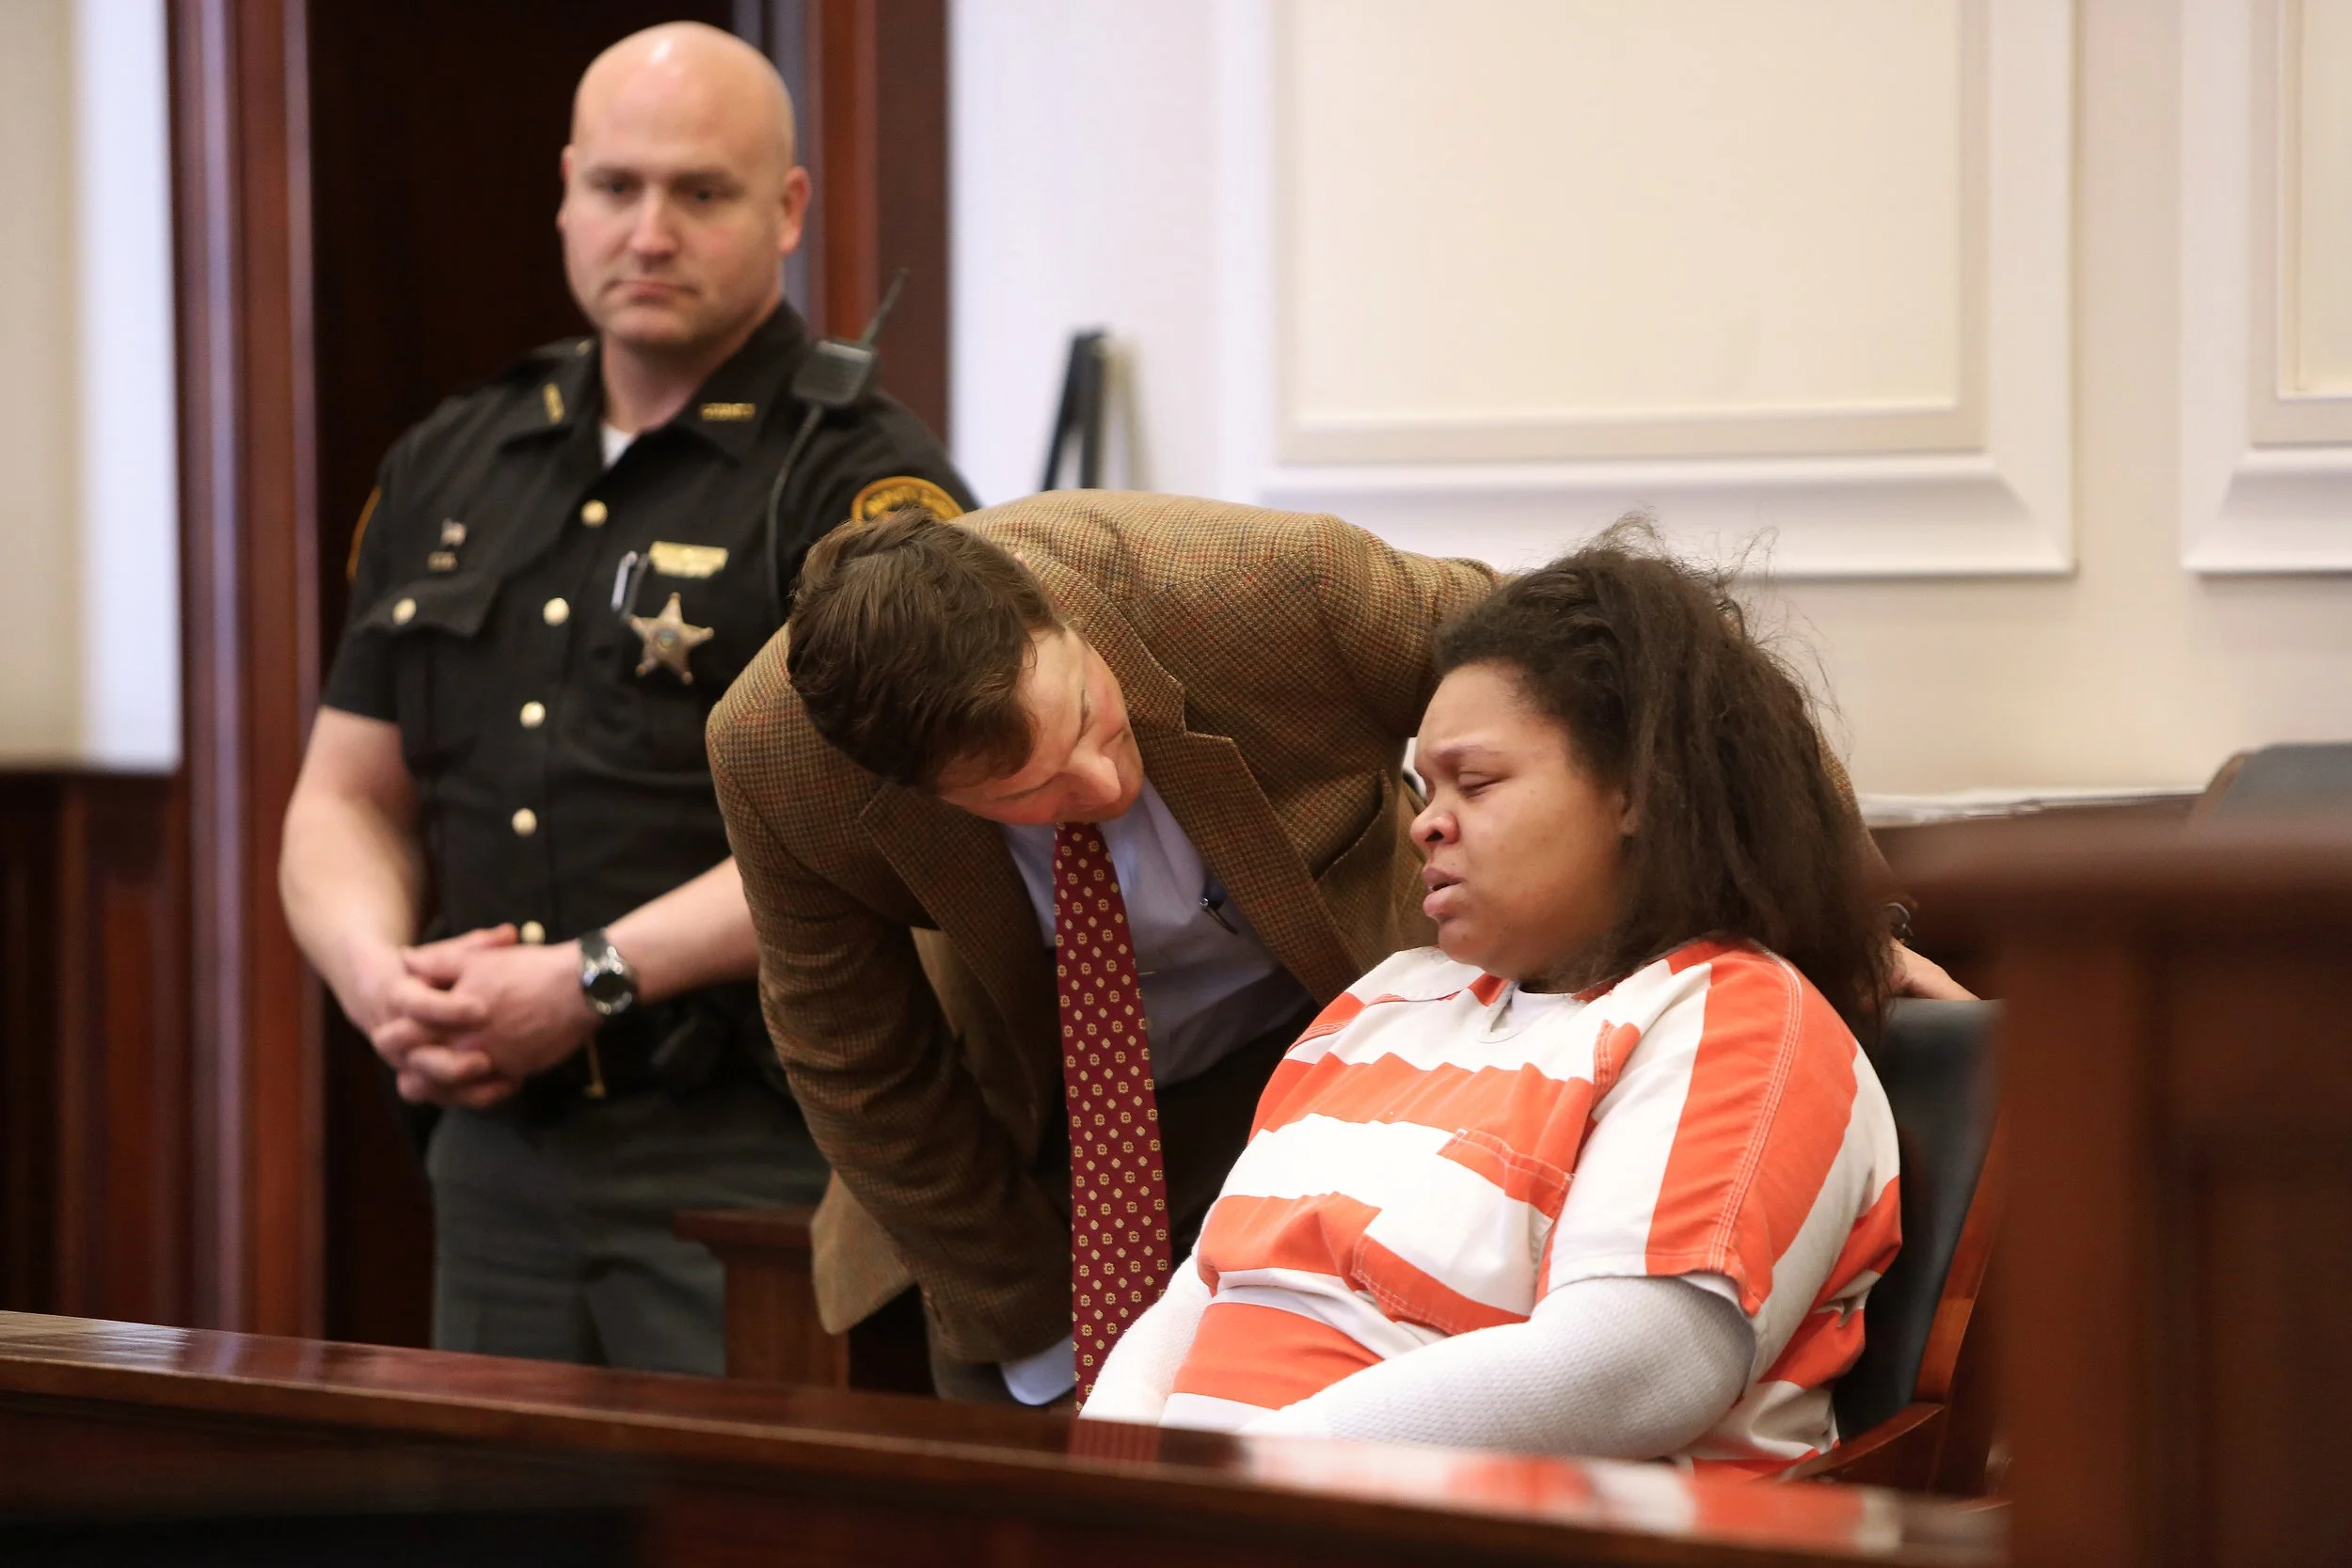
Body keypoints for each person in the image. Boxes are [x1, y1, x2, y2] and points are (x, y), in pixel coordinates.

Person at [707, 493, 1933, 1407]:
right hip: (1048, 1126)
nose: (1094, 781)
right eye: (1023, 787)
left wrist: (1835, 915)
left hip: (1330, 1044)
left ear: (1056, 619)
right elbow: (857, 1060)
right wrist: (1065, 1372)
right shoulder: (779, 764)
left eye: (1087, 720)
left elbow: (1654, 693)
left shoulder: (1268, 591)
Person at [278, 21, 975, 1374]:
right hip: (491, 1142)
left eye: (700, 192)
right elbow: (344, 793)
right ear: (565, 190)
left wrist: (591, 978)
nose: (648, 231)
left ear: (785, 211)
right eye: (615, 187)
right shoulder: (457, 454)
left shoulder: (861, 482)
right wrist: (384, 985)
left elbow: (891, 821)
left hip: (749, 1149)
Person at [1079, 526, 1900, 1475]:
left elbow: (1637, 1367)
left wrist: (1234, 1477)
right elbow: (1200, 1291)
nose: (1425, 820)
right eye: (1422, 785)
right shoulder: (1383, 998)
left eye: (1475, 781)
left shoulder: (1732, 1015)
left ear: (1638, 788)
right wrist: (1106, 1476)